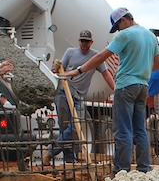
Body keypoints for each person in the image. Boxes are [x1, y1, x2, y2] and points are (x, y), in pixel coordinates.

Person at [62, 7, 159, 175]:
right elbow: (158, 65)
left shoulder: (125, 35)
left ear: (124, 20)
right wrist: (141, 67)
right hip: (142, 86)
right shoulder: (150, 36)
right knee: (140, 129)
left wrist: (78, 71)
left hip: (125, 85)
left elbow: (101, 57)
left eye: (117, 26)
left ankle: (121, 170)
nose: (118, 31)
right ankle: (144, 168)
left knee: (123, 129)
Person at [49, 29, 114, 163]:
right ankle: (70, 159)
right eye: (82, 41)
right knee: (64, 126)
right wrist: (55, 68)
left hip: (79, 97)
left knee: (75, 126)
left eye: (86, 41)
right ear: (79, 41)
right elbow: (59, 70)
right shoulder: (70, 52)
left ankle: (50, 153)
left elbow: (106, 74)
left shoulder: (96, 57)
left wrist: (116, 89)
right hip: (63, 92)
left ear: (91, 42)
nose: (84, 44)